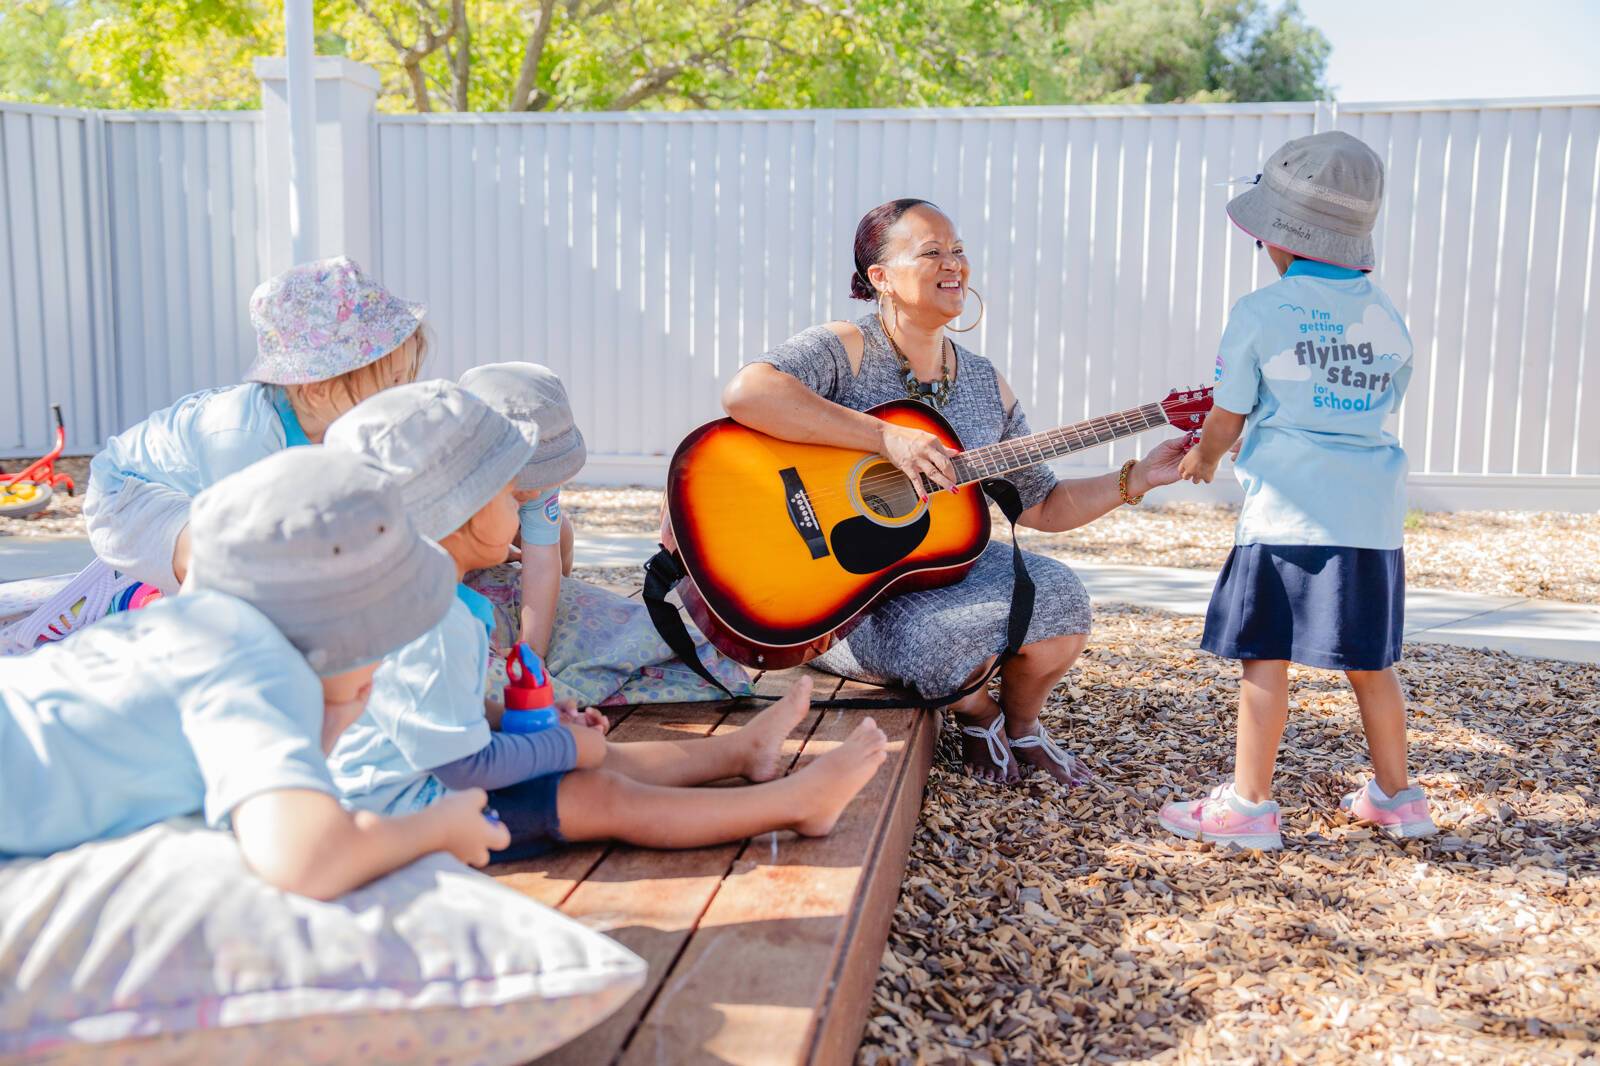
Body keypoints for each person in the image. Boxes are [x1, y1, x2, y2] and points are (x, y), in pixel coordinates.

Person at [722, 198, 1188, 785]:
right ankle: (978, 712)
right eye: (932, 252)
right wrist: (886, 439)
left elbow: (1042, 504)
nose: (955, 265)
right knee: (943, 641)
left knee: (1063, 596)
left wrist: (1138, 478)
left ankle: (1021, 727)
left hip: (932, 563)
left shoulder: (986, 383)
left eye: (959, 250)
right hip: (841, 588)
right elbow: (748, 392)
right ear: (881, 278)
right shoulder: (846, 347)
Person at [325, 381, 888, 860]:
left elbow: (439, 713)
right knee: (604, 796)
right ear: (464, 517)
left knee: (597, 762)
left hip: (424, 787)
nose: (523, 507)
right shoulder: (435, 625)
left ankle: (739, 752)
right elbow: (462, 765)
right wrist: (563, 749)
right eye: (507, 495)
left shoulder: (430, 603)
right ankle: (796, 804)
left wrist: (538, 724)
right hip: (415, 820)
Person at [0, 447, 508, 897]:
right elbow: (307, 858)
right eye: (390, 636)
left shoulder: (198, 629)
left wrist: (328, 721)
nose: (386, 661)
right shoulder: (261, 666)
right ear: (344, 628)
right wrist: (437, 829)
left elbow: (272, 785)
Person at [1160, 131, 1437, 850]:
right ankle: (1399, 798)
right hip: (1371, 520)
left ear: (1278, 239)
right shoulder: (1391, 321)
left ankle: (1248, 808)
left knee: (1265, 661)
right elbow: (1383, 399)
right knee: (1372, 666)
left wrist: (1205, 461)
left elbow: (1228, 412)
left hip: (1287, 515)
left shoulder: (1261, 312)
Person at [83, 256, 426, 597]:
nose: (403, 394)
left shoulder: (333, 421)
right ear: (318, 390)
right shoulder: (243, 437)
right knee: (227, 560)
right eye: (392, 382)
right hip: (125, 496)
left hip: (194, 496)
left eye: (406, 377)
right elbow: (240, 539)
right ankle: (148, 607)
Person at [458, 361, 750, 708]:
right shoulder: (447, 481)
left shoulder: (538, 493)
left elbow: (541, 561)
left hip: (501, 549)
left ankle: (556, 600)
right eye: (521, 486)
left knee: (556, 534)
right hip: (459, 566)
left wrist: (530, 650)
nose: (533, 493)